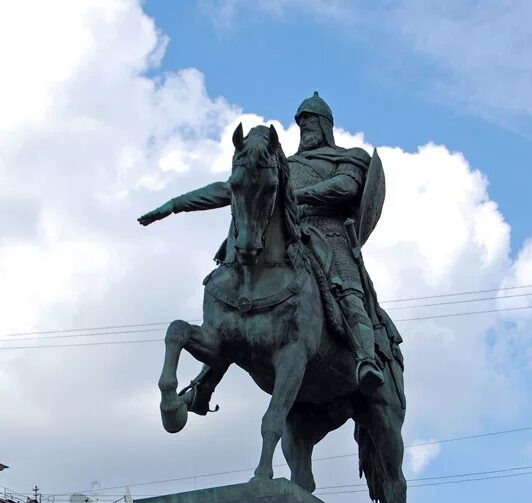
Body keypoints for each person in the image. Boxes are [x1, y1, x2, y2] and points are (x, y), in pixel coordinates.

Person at [138, 92, 387, 394]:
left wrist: (295, 195)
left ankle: (366, 359)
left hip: (329, 233)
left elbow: (345, 187)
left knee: (348, 292)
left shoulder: (349, 157)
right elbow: (230, 189)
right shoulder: (284, 164)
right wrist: (174, 205)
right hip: (288, 232)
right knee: (237, 285)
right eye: (301, 124)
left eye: (311, 123)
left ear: (325, 125)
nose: (305, 129)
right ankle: (205, 382)